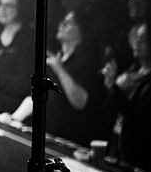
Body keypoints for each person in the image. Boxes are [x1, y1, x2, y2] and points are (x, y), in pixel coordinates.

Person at [8, 10, 110, 147]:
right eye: (62, 21)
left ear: (81, 31)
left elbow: (81, 102)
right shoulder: (56, 58)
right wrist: (14, 118)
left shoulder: (87, 62)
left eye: (68, 23)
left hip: (69, 142)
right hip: (46, 136)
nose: (61, 25)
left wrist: (59, 69)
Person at [101, 19, 151, 172]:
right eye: (135, 38)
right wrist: (111, 87)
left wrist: (115, 89)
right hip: (117, 151)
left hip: (142, 161)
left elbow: (140, 119)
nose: (136, 43)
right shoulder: (130, 72)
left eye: (142, 39)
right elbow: (108, 113)